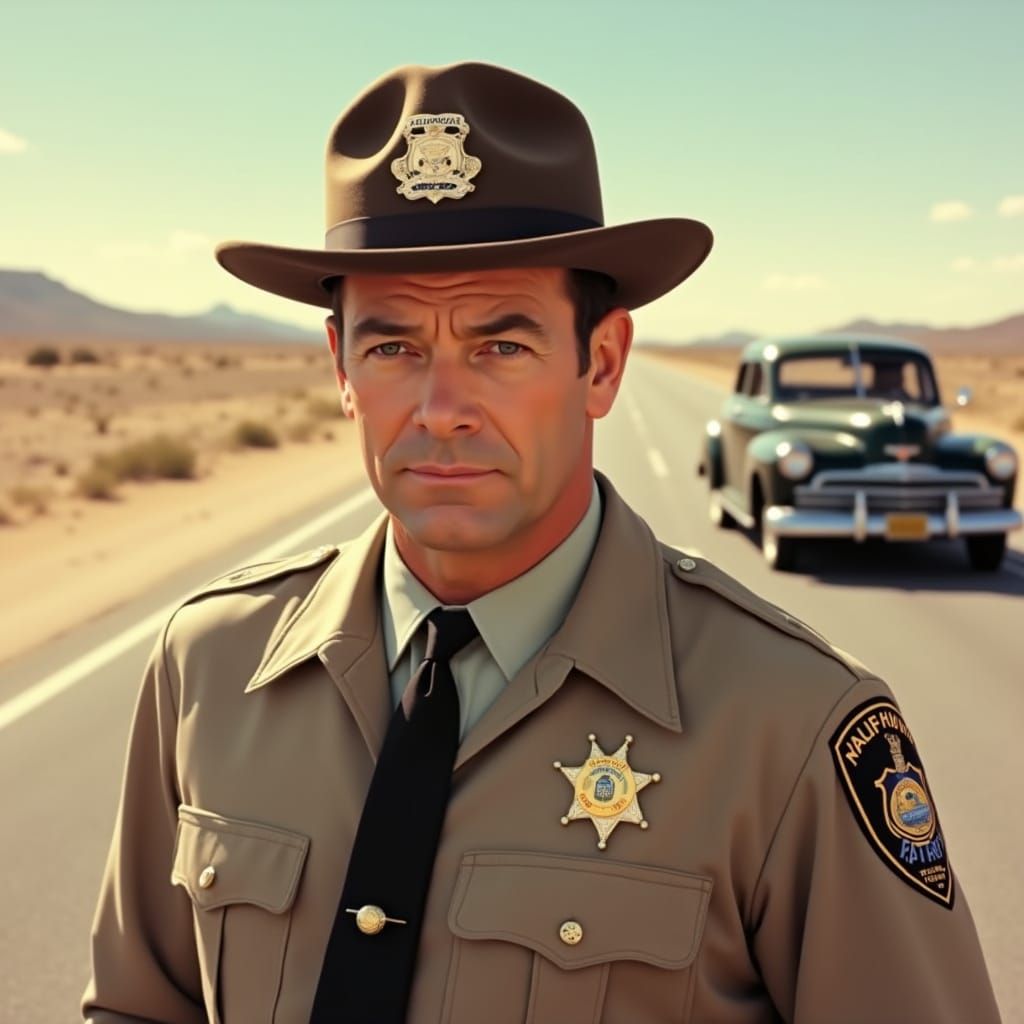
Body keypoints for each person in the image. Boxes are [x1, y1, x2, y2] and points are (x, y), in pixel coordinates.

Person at [82, 61, 1000, 1024]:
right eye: (393, 347)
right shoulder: (209, 664)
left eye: (500, 347)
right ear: (340, 367)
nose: (440, 412)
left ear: (600, 365)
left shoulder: (790, 726)